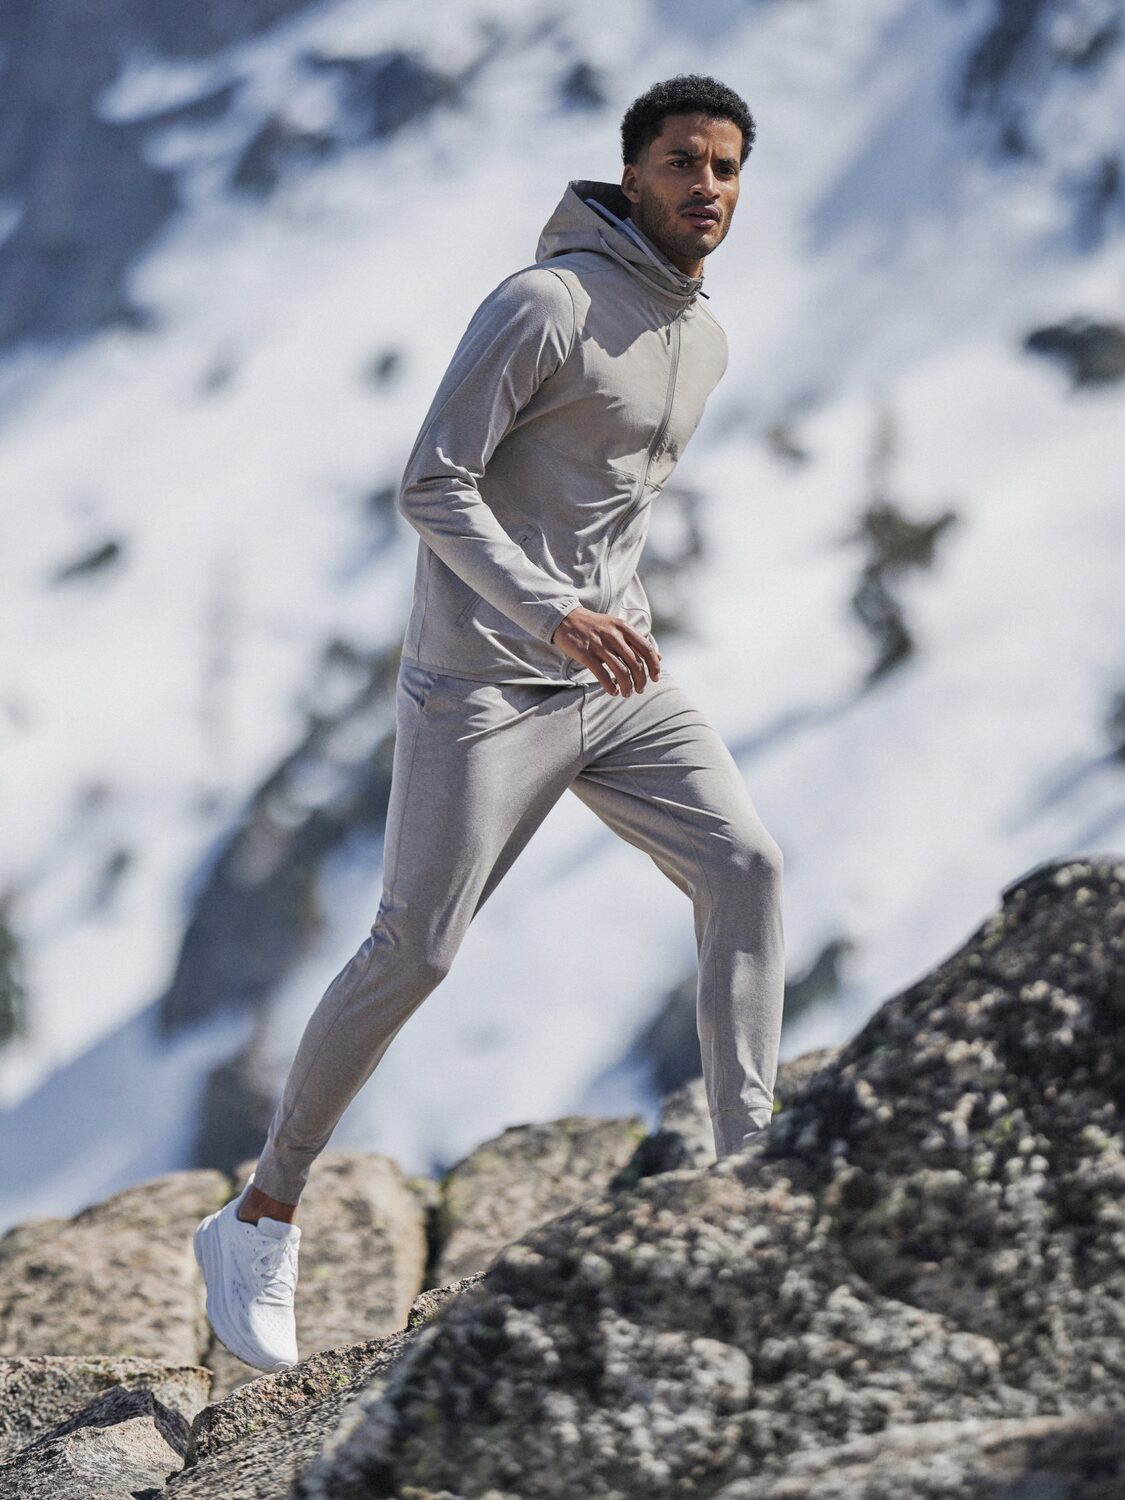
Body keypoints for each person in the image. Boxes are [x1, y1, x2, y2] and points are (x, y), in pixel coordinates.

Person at [194, 73, 785, 1373]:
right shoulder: (543, 304)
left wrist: (597, 623)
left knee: (743, 865)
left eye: (727, 167)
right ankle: (259, 1215)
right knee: (416, 949)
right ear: (630, 173)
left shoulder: (703, 336)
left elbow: (597, 505)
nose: (706, 187)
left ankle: (756, 1186)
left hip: (616, 687)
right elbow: (432, 483)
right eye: (683, 161)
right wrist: (549, 612)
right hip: (478, 691)